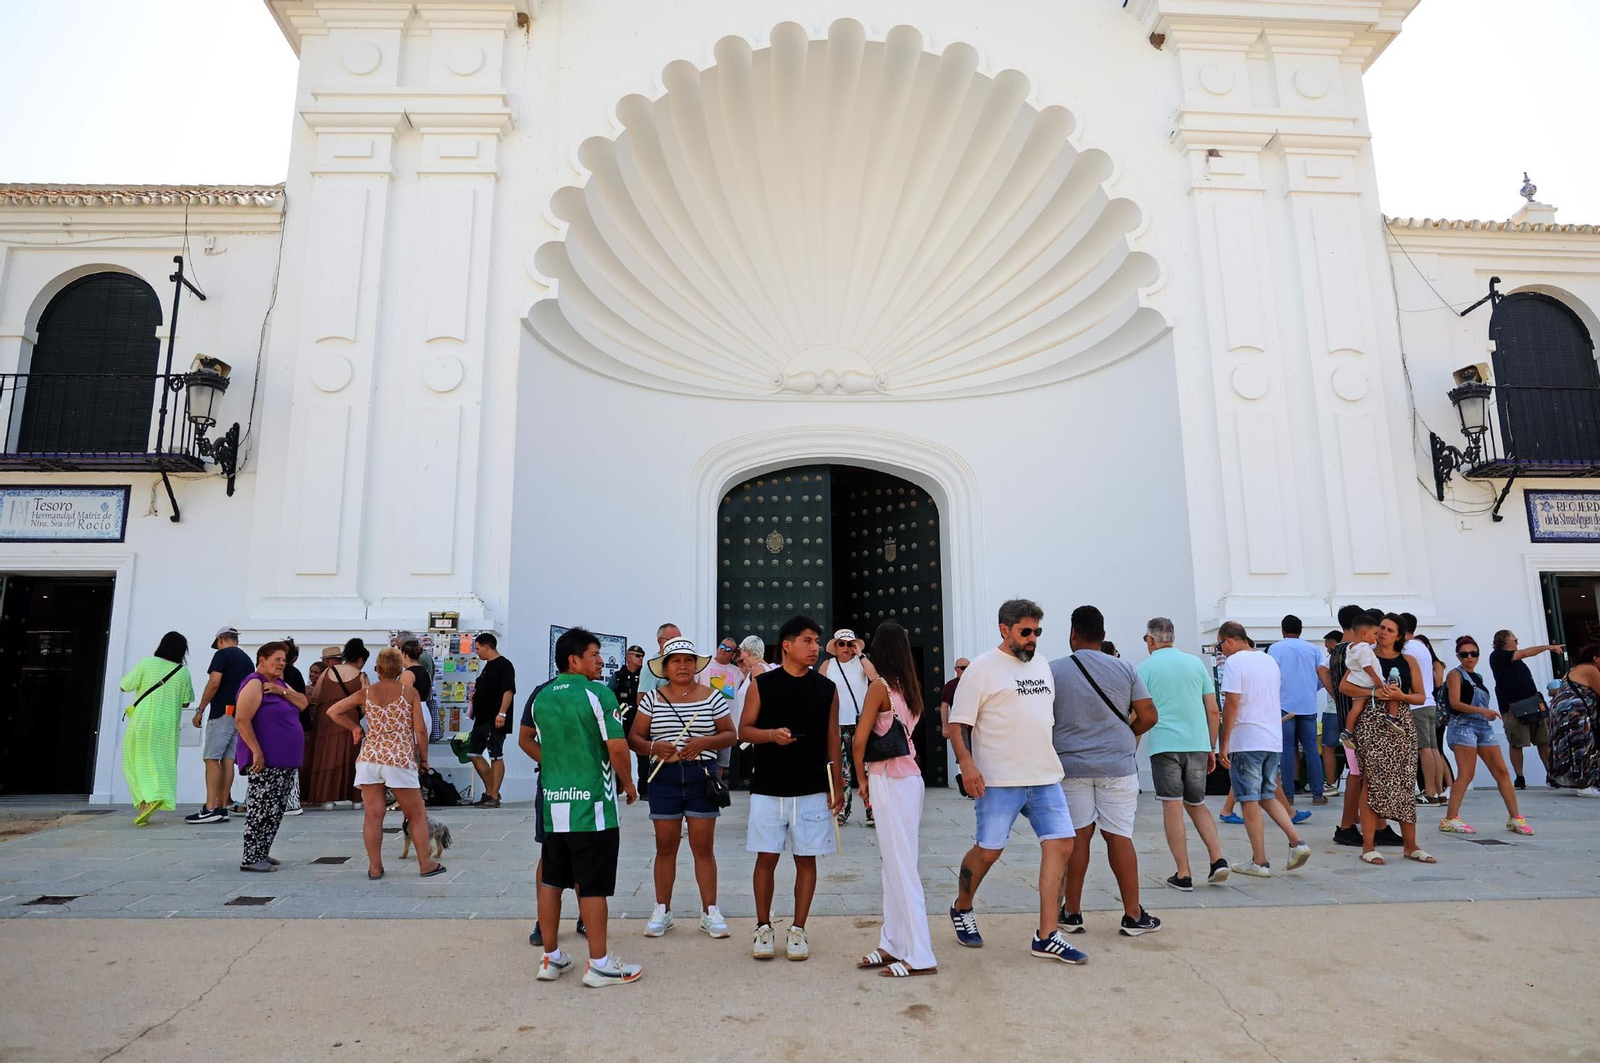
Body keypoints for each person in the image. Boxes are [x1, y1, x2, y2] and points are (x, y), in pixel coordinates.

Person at [947, 599, 1084, 964]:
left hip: (1044, 776)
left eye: (1037, 632)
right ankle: (962, 907)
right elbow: (956, 725)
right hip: (999, 779)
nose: (1032, 639)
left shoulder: (1041, 665)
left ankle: (1047, 935)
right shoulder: (980, 669)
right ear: (1004, 629)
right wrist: (967, 765)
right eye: (1025, 632)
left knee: (1062, 844)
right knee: (990, 850)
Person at [529, 627, 642, 988]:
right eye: (594, 655)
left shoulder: (541, 697)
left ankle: (550, 957)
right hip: (592, 806)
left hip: (553, 805)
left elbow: (528, 740)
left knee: (551, 880)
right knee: (592, 886)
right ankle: (600, 964)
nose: (601, 661)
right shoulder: (598, 693)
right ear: (574, 660)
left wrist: (555, 768)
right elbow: (618, 747)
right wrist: (628, 783)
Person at [738, 614, 845, 962]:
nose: (815, 648)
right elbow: (744, 730)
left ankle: (798, 929)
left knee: (806, 858)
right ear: (787, 645)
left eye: (817, 641)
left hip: (813, 785)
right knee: (766, 856)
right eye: (808, 641)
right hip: (770, 785)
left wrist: (838, 783)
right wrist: (772, 736)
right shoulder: (764, 685)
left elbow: (832, 737)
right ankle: (762, 927)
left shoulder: (826, 688)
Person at [1054, 606, 1161, 936]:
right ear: (1103, 636)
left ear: (1073, 634)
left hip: (1071, 766)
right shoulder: (1125, 668)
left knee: (1078, 837)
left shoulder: (1053, 671)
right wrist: (1126, 733)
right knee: (1119, 836)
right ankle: (1132, 915)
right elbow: (1148, 714)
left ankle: (1071, 912)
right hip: (1117, 765)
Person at [630, 637, 736, 938]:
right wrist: (654, 747)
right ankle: (662, 909)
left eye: (688, 660)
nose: (683, 666)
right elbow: (634, 739)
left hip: (701, 775)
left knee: (703, 847)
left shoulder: (712, 697)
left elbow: (731, 734)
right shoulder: (652, 698)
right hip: (664, 777)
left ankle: (710, 911)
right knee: (665, 847)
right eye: (676, 661)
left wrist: (705, 742)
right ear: (665, 667)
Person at [852, 621, 937, 978]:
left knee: (901, 867)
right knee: (896, 863)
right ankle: (893, 940)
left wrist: (860, 780)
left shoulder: (878, 689)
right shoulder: (908, 687)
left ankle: (920, 953)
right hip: (909, 780)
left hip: (887, 778)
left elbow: (858, 740)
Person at [326, 647, 444, 879]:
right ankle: (425, 864)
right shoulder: (409, 693)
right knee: (416, 813)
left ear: (378, 670)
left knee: (373, 815)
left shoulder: (367, 693)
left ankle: (375, 867)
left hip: (370, 757)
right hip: (398, 757)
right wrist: (425, 758)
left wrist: (355, 728)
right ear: (400, 669)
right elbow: (419, 730)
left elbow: (334, 711)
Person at [1137, 617, 1229, 890]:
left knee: (1172, 805)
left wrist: (1131, 747)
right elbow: (1213, 709)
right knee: (1196, 802)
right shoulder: (1195, 664)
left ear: (1151, 640)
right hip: (1198, 744)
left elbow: (1139, 713)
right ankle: (1218, 859)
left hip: (1165, 745)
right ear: (1173, 638)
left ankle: (1183, 872)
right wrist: (1210, 745)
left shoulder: (1145, 669)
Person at [1217, 621, 1312, 877]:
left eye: (1220, 645)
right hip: (1271, 738)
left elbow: (1232, 703)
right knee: (1267, 795)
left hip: (1247, 738)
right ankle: (1296, 842)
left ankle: (1259, 860)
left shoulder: (1235, 663)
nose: (1221, 651)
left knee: (1248, 799)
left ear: (1228, 640)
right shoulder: (1268, 661)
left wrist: (1224, 741)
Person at [1343, 614, 1435, 864]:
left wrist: (1399, 695)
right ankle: (1369, 845)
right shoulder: (1365, 654)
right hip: (1372, 721)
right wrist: (1376, 691)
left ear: (1399, 635)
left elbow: (1420, 696)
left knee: (1405, 779)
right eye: (1381, 627)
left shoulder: (1408, 660)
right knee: (1371, 781)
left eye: (1389, 629)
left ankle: (1411, 845)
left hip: (1401, 721)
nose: (1382, 632)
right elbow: (1345, 687)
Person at [1440, 636, 1534, 834]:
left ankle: (1515, 817)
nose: (1469, 657)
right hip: (1463, 726)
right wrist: (1482, 711)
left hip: (1482, 726)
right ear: (1458, 656)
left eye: (1473, 654)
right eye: (1464, 654)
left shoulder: (1478, 677)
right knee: (1466, 773)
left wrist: (1484, 713)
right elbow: (1455, 703)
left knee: (1501, 771)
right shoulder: (1455, 675)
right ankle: (1450, 818)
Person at [233, 641, 309, 871]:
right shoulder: (254, 684)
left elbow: (303, 703)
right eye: (276, 659)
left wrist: (281, 691)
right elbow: (241, 719)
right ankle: (251, 857)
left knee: (276, 808)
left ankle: (262, 851)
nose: (281, 663)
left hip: (285, 761)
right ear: (262, 660)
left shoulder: (278, 684)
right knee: (261, 807)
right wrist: (256, 751)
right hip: (267, 760)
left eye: (283, 660)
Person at [119, 632, 196, 826]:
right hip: (168, 723)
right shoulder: (182, 671)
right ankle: (149, 800)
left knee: (134, 760)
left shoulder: (147, 663)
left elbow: (124, 686)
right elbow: (186, 703)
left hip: (143, 720)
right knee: (162, 761)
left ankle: (147, 799)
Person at [185, 626, 254, 824]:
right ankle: (222, 807)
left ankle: (210, 807)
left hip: (221, 713)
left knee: (211, 758)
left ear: (221, 640)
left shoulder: (222, 655)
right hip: (239, 714)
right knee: (227, 759)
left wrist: (200, 709)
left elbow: (214, 682)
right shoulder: (247, 660)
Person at [819, 628, 878, 826]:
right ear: (835, 646)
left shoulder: (860, 663)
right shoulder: (828, 665)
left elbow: (875, 677)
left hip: (861, 722)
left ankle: (872, 809)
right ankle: (843, 809)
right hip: (838, 723)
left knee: (866, 767)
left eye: (849, 643)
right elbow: (818, 690)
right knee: (843, 768)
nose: (845, 647)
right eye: (841, 643)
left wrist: (860, 654)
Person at [1489, 630, 1561, 788]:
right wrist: (1547, 647)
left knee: (1543, 741)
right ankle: (1519, 777)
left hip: (1532, 703)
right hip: (1513, 707)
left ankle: (1551, 774)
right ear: (1505, 642)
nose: (1517, 642)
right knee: (1517, 743)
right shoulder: (1499, 656)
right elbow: (1526, 653)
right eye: (1515, 639)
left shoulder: (1514, 659)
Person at [1268, 615, 1325, 805]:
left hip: (1284, 705)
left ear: (1283, 630)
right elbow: (1321, 676)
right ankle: (1317, 794)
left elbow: (1269, 676)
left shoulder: (1275, 648)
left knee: (1286, 748)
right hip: (1308, 704)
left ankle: (1289, 795)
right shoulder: (1313, 649)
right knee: (1311, 750)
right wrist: (1309, 689)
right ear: (1301, 630)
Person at [305, 639, 369, 808]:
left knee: (326, 757)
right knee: (350, 757)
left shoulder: (327, 672)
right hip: (349, 721)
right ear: (361, 660)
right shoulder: (361, 676)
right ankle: (355, 799)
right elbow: (366, 705)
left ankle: (327, 798)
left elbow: (316, 696)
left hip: (325, 720)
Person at [1399, 614, 1445, 803]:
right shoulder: (1421, 646)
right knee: (1434, 749)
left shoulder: (1407, 648)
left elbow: (1408, 676)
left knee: (1424, 749)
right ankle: (1439, 791)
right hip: (1430, 702)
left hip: (1416, 704)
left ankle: (1429, 793)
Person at [466, 632, 515, 807]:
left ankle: (494, 794)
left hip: (494, 718)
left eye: (478, 648)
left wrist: (502, 713)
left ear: (487, 647)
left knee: (495, 754)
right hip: (481, 719)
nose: (477, 652)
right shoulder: (487, 666)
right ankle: (490, 790)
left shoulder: (504, 665)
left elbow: (508, 690)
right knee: (473, 753)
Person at [1550, 643, 1600, 796]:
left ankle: (1582, 782)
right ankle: (1584, 785)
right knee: (1584, 746)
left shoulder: (1574, 670)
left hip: (1564, 714)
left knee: (1574, 747)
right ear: (1596, 658)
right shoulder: (1590, 669)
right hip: (1576, 714)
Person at [700, 638, 743, 780]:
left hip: (726, 725)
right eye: (722, 646)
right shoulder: (704, 664)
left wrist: (741, 659)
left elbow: (752, 678)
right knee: (703, 760)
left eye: (729, 649)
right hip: (704, 723)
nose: (724, 649)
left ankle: (714, 791)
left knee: (720, 763)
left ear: (734, 654)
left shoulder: (737, 672)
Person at [611, 644, 648, 792]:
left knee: (644, 754)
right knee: (620, 753)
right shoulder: (618, 676)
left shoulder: (645, 675)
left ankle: (644, 790)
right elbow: (609, 695)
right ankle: (619, 786)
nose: (641, 659)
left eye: (642, 656)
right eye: (637, 656)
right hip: (622, 719)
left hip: (640, 718)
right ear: (628, 658)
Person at [399, 639, 440, 745]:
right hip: (425, 711)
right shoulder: (425, 672)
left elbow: (404, 698)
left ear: (404, 654)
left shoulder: (408, 674)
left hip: (412, 713)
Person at [1318, 630, 1343, 798]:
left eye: (1328, 646)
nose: (1327, 650)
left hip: (1333, 711)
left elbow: (1320, 670)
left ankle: (1330, 784)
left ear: (1333, 644)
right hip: (1351, 709)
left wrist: (1334, 693)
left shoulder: (1333, 657)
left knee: (1328, 748)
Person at [638, 623, 682, 698]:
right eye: (673, 640)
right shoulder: (651, 667)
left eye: (679, 640)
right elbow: (643, 699)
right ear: (660, 641)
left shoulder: (683, 664)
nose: (677, 644)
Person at [938, 657, 969, 738]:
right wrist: (945, 727)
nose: (966, 670)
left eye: (969, 668)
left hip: (977, 724)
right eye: (963, 668)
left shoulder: (977, 684)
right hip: (960, 725)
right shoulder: (951, 686)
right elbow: (944, 706)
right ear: (956, 669)